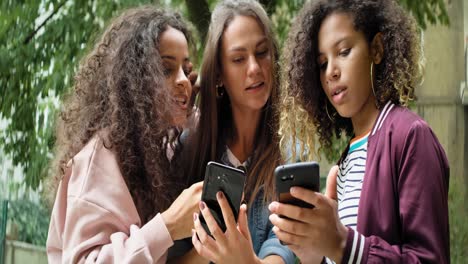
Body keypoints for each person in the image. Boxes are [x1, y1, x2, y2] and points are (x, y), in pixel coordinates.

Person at [269, 0, 450, 263]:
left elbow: (429, 258)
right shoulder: (349, 156)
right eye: (322, 64)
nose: (331, 71)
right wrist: (316, 255)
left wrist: (342, 244)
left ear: (376, 49)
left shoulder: (411, 137)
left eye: (343, 51)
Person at [46, 6, 203, 263]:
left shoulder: (159, 148)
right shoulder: (99, 157)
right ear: (135, 79)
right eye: (166, 70)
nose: (184, 80)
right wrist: (169, 225)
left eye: (186, 70)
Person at [185, 0, 295, 263]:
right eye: (238, 59)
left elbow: (284, 247)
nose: (255, 68)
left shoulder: (292, 153)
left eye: (262, 52)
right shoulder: (189, 148)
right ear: (219, 74)